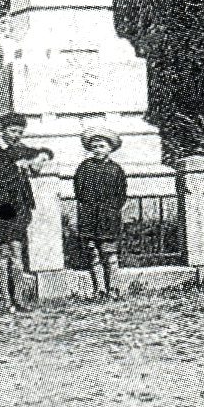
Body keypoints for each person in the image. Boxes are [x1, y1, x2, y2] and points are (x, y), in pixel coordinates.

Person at [0, 113, 44, 313]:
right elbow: (1, 178)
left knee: (17, 251)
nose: (16, 135)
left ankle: (18, 299)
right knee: (2, 252)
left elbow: (44, 151)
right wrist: (19, 166)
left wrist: (41, 157)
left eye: (19, 132)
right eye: (12, 131)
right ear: (2, 130)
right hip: (2, 206)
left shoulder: (20, 149)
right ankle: (4, 299)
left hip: (19, 206)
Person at [73, 127, 128, 300]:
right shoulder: (84, 168)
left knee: (109, 254)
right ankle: (100, 290)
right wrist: (90, 206)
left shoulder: (116, 170)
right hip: (89, 216)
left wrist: (111, 209)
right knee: (94, 254)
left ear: (110, 148)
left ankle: (114, 289)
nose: (98, 149)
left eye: (101, 146)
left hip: (108, 218)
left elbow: (121, 194)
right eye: (94, 146)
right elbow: (78, 191)